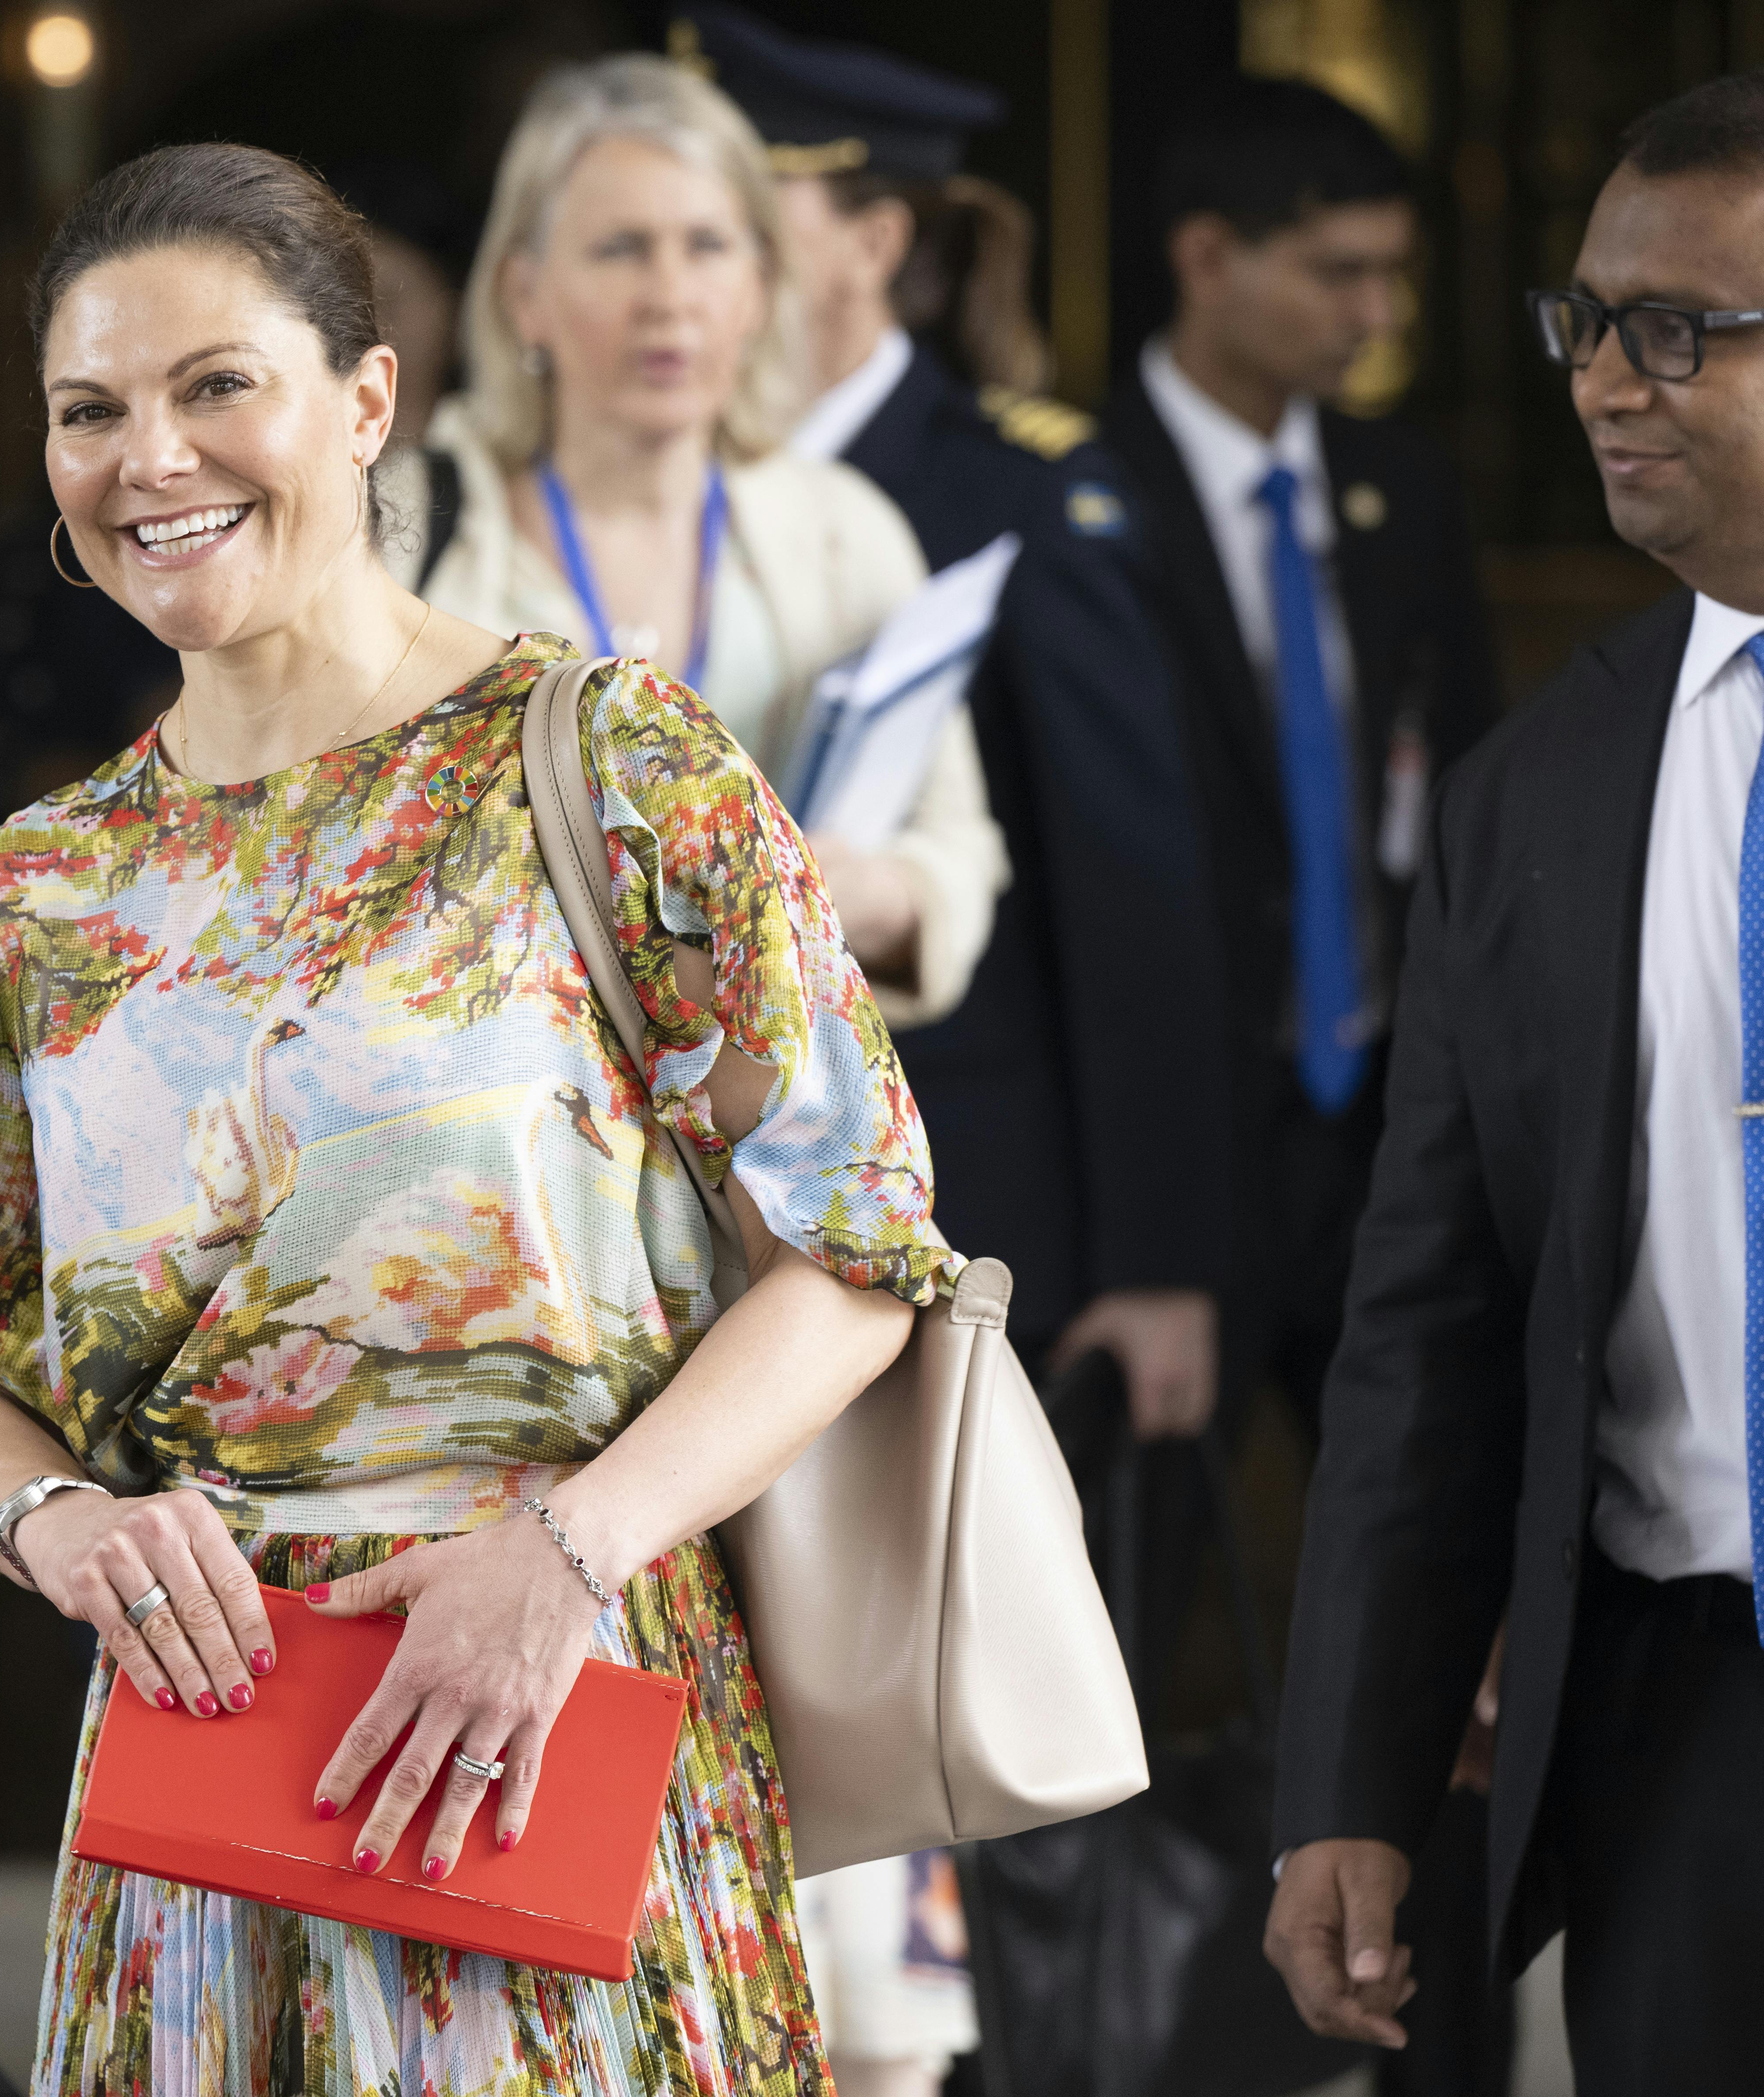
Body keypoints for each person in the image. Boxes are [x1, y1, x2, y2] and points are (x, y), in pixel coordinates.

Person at [0, 137, 959, 2095]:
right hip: (195, 1809)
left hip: (557, 1715)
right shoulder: (35, 893)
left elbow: (858, 1249)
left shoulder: (610, 757)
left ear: (369, 401)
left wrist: (567, 1553)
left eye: (221, 386)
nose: (153, 459)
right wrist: (60, 1526)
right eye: (90, 411)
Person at [674, 21, 1232, 2093]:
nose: (685, 280)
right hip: (692, 1267)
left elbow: (1129, 906)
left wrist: (1161, 1253)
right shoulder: (609, 482)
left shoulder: (994, 486)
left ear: (858, 246)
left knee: (946, 1769)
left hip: (950, 1245)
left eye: (737, 223)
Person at [1268, 76, 1764, 2092]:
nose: (1602, 384)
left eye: (1674, 331)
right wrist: (1349, 1777)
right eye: (1583, 323)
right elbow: (1428, 1324)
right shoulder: (1533, 794)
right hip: (1676, 1713)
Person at [387, 53, 1006, 1032]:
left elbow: (956, 839)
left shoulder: (850, 531)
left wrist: (873, 891)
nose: (667, 295)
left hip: (770, 1148)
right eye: (621, 248)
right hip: (490, 1144)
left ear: (760, 286)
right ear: (523, 293)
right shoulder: (395, 532)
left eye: (708, 245)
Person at [1104, 78, 1498, 1462]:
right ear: (1206, 257)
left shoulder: (1403, 488)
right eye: (1339, 273)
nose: (1377, 316)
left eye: (1393, 274)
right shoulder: (1073, 494)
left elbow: (1458, 794)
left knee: (1415, 1547)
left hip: (1382, 1120)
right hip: (1175, 1137)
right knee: (1130, 1596)